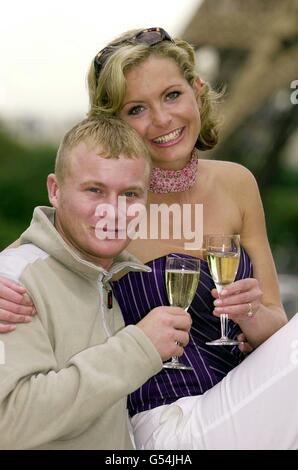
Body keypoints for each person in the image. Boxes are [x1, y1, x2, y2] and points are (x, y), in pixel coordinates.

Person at [1, 27, 296, 449]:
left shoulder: (238, 184)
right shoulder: (112, 202)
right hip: (160, 421)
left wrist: (250, 314)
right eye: (137, 108)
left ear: (197, 90)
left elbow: (278, 337)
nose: (161, 119)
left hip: (244, 403)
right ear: (113, 124)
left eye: (172, 95)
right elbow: (35, 253)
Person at [0, 116, 192, 450]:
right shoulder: (14, 283)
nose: (113, 212)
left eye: (130, 194)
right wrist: (139, 348)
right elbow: (9, 424)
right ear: (55, 191)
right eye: (95, 190)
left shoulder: (115, 278)